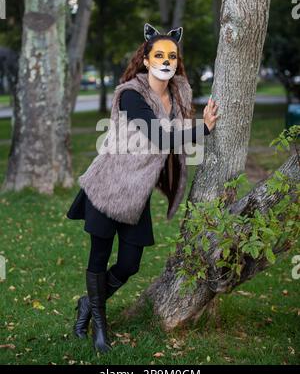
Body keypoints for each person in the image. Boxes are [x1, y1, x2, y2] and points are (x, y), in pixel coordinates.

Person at [66, 22, 219, 354]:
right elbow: (160, 136)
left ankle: (87, 304)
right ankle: (99, 331)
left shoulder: (177, 97)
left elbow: (174, 131)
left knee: (130, 264)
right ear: (146, 60)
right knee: (99, 255)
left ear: (177, 62)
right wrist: (202, 130)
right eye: (159, 55)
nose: (166, 61)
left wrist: (198, 120)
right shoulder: (131, 96)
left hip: (136, 195)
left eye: (172, 56)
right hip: (107, 187)